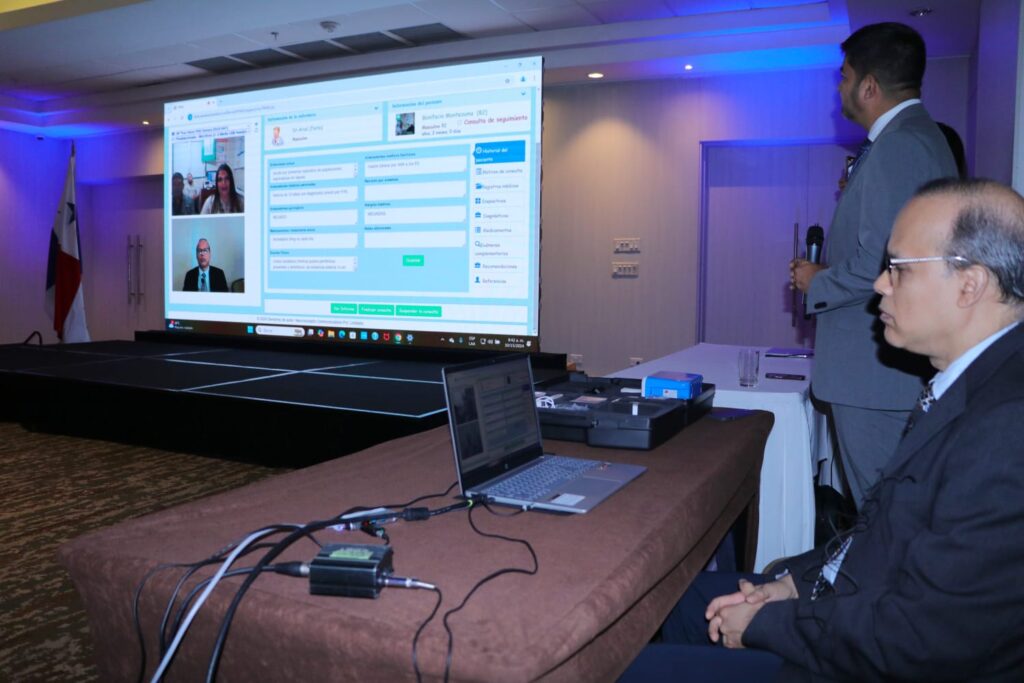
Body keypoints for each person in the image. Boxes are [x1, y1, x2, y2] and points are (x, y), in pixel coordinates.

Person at [622, 178, 1024, 682]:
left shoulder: (1005, 428)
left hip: (871, 654)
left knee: (623, 667)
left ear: (970, 285)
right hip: (852, 607)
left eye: (898, 268)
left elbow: (924, 639)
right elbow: (880, 531)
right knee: (669, 605)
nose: (879, 284)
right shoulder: (974, 384)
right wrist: (793, 583)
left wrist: (770, 623)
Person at [789, 22, 958, 509]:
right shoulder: (918, 138)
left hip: (874, 380)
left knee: (881, 512)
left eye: (843, 77)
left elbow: (881, 266)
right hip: (884, 377)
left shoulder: (899, 146)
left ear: (868, 86)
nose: (838, 89)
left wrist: (817, 280)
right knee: (892, 510)